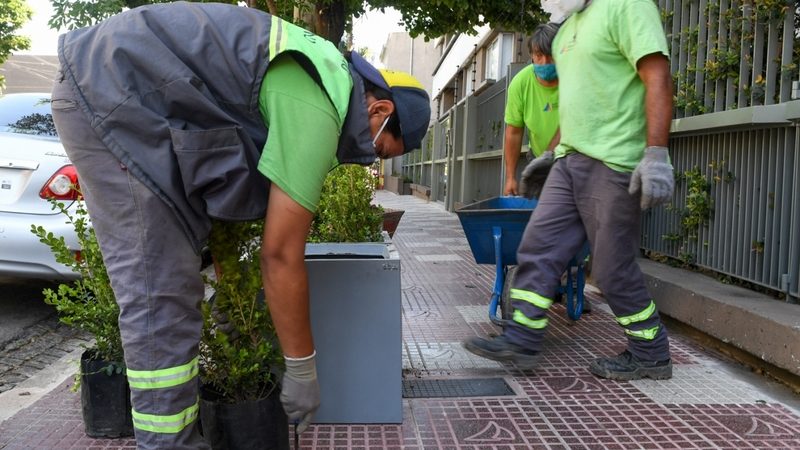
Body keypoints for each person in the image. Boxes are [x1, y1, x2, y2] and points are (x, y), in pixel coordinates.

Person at [50, 3, 430, 448]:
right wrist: (302, 368)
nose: (371, 158)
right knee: (161, 288)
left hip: (132, 91)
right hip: (109, 90)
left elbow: (233, 201)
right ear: (379, 108)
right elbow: (281, 254)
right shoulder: (319, 104)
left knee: (174, 277)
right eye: (382, 149)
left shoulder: (320, 72)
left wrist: (234, 306)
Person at [464, 0, 675, 381]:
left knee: (611, 270)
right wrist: (551, 153)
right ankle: (521, 338)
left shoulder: (627, 6)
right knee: (537, 245)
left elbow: (657, 76)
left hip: (612, 163)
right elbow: (576, 104)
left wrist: (656, 153)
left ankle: (651, 352)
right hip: (568, 161)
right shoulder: (569, 24)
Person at [502, 23, 561, 198]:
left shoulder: (574, 76)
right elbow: (513, 132)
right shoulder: (520, 83)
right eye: (539, 55)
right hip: (539, 160)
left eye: (552, 56)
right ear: (532, 56)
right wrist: (511, 177)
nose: (545, 62)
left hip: (574, 159)